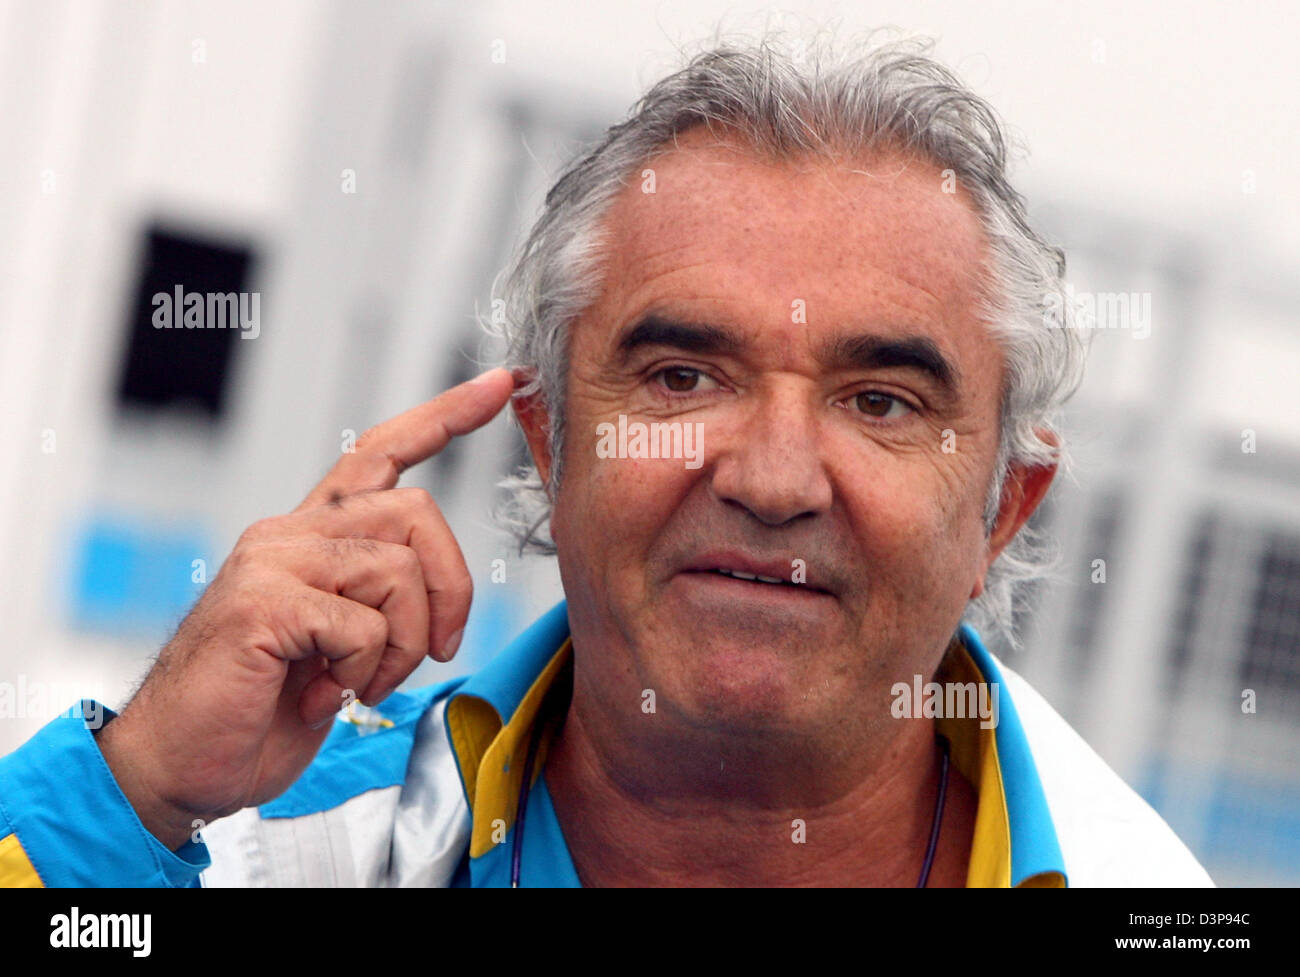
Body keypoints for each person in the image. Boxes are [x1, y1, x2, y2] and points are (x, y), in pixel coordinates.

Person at [0, 33, 1212, 888]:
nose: (774, 477)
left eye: (879, 400)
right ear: (550, 440)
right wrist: (129, 796)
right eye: (684, 378)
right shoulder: (244, 840)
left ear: (1002, 507)